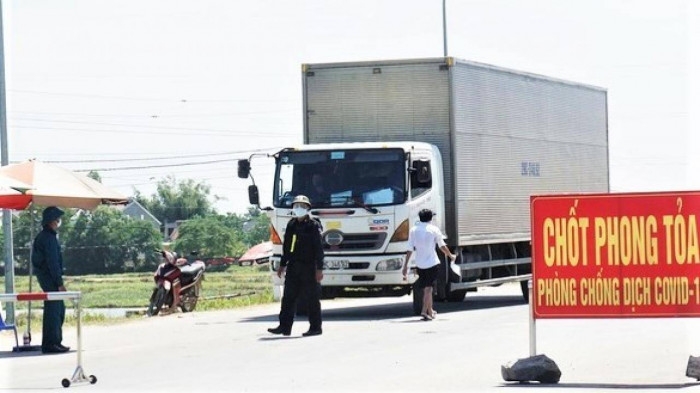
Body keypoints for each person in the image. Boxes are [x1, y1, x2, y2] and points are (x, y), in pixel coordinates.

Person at [268, 195, 325, 337]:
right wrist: (282, 264)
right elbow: (287, 246)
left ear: (308, 209)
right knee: (288, 297)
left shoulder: (313, 225)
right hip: (293, 266)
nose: (299, 209)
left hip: (309, 266)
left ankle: (315, 327)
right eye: (296, 206)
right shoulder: (292, 224)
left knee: (311, 298)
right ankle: (284, 327)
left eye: (302, 206)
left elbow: (319, 249)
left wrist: (319, 269)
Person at [402, 208, 456, 321]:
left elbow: (409, 249)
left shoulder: (413, 230)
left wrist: (405, 265)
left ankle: (430, 310)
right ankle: (424, 310)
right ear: (430, 218)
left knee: (427, 288)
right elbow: (442, 246)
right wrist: (451, 256)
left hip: (420, 264)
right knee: (428, 289)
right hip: (432, 263)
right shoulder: (434, 229)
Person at [31, 206, 70, 353]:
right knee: (54, 311)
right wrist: (59, 283)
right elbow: (52, 262)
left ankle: (55, 341)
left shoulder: (47, 236)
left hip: (48, 278)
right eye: (56, 219)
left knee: (57, 309)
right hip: (50, 280)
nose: (58, 222)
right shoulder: (48, 238)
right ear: (51, 221)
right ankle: (51, 343)